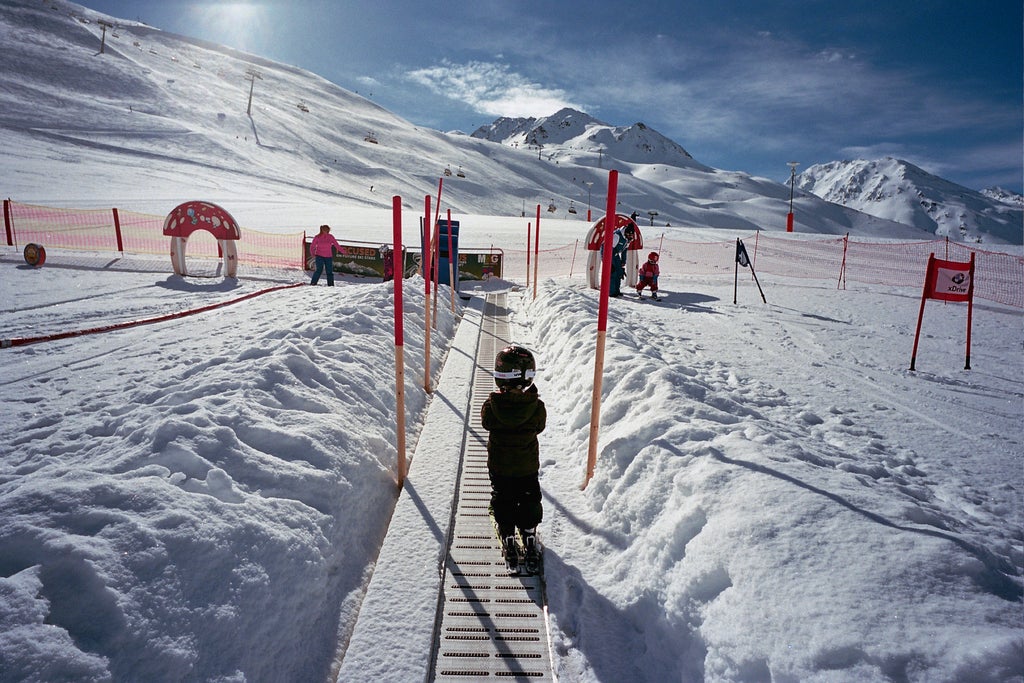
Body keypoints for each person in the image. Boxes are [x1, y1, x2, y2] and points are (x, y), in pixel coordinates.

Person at [481, 344, 546, 573]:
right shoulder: (537, 407)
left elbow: (486, 423)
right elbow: (539, 426)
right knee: (529, 497)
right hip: (527, 467)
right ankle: (528, 534)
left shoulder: (491, 406)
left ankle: (508, 535)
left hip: (499, 466)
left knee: (503, 497)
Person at [607, 221, 636, 297]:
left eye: (631, 235)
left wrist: (623, 262)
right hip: (608, 253)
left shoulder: (627, 240)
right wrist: (609, 263)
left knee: (619, 272)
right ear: (626, 233)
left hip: (615, 253)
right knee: (613, 272)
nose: (630, 237)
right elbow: (608, 249)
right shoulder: (617, 236)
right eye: (629, 235)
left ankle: (617, 290)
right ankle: (611, 291)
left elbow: (624, 251)